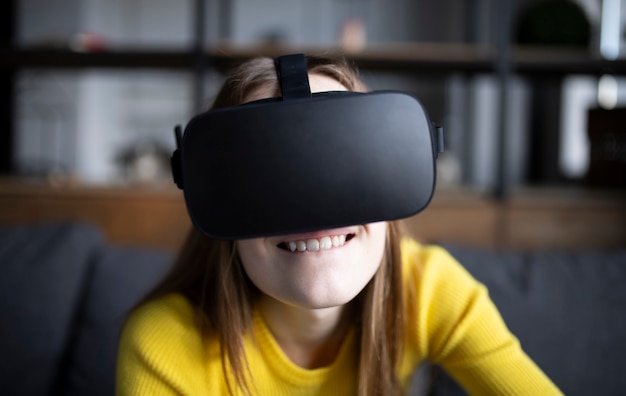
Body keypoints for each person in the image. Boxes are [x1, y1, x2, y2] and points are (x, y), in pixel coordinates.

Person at [116, 55, 562, 396]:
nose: (314, 215)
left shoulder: (428, 289)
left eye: (341, 161)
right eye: (269, 175)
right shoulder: (164, 343)